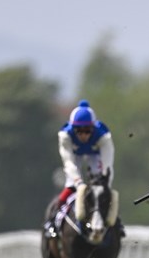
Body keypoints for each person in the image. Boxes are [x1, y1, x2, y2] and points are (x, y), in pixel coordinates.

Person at [44, 100, 123, 237]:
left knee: (101, 188)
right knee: (71, 185)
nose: (83, 135)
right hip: (75, 156)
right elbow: (68, 163)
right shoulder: (65, 136)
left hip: (95, 155)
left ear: (93, 128)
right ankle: (53, 220)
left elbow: (107, 165)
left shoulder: (103, 136)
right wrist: (78, 182)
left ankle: (117, 222)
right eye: (79, 131)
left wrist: (105, 183)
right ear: (73, 129)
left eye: (87, 131)